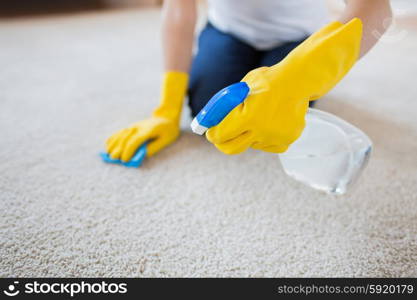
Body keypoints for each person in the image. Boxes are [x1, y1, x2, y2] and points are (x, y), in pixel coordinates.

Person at [105, 0, 392, 162]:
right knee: (209, 107)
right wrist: (167, 108)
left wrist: (297, 78)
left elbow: (377, 9)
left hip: (297, 38)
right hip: (229, 32)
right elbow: (179, 10)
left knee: (274, 109)